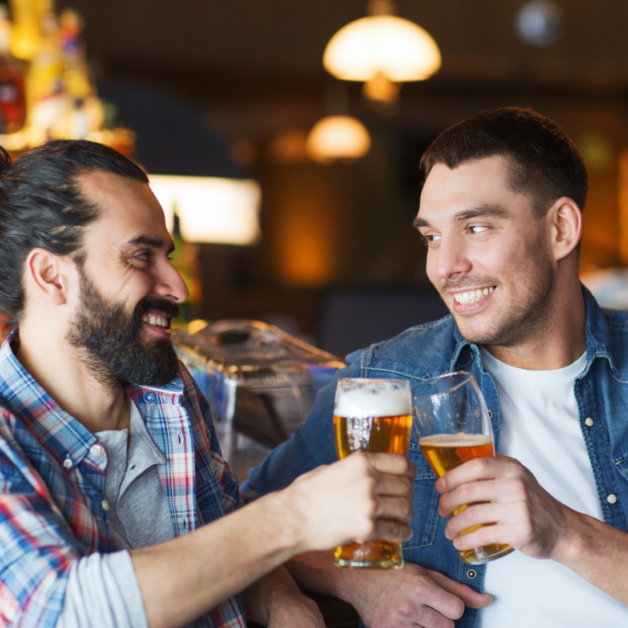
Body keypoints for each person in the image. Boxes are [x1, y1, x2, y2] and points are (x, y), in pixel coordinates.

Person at [0, 139, 416, 628]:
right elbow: (61, 609)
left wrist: (284, 605)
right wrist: (294, 516)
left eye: (168, 256)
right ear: (51, 276)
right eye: (140, 257)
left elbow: (222, 540)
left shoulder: (168, 389)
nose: (177, 286)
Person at [243, 107, 628, 628]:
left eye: (476, 227)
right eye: (432, 236)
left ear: (561, 228)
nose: (444, 267)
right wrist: (355, 581)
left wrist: (563, 533)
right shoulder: (386, 380)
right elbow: (244, 520)